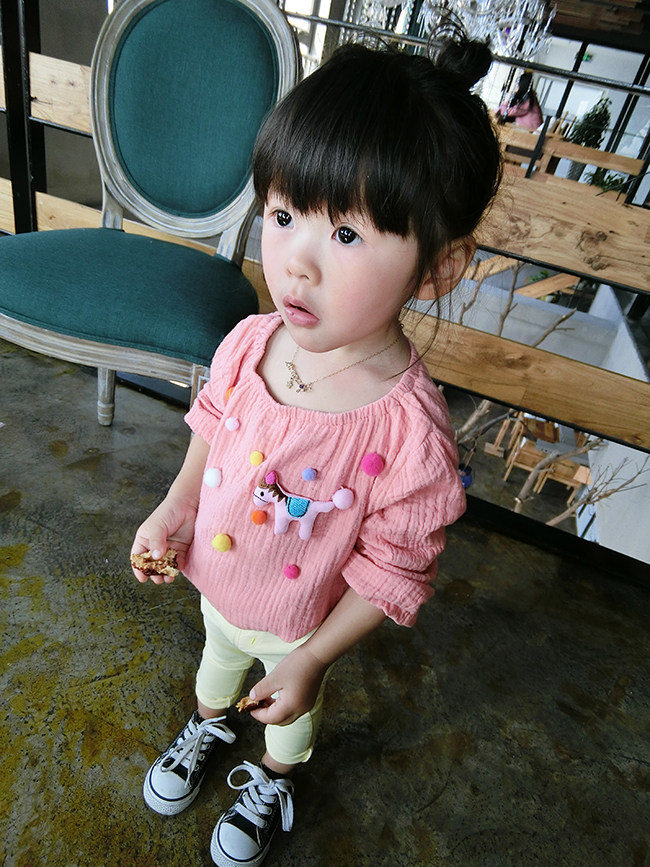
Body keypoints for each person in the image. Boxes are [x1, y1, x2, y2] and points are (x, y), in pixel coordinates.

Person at [131, 32, 502, 867]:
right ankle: (206, 725)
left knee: (286, 716)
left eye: (346, 234)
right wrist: (175, 507)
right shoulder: (250, 342)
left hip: (301, 628)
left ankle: (273, 776)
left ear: (439, 267)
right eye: (284, 214)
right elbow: (212, 427)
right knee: (215, 668)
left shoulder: (408, 434)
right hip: (216, 582)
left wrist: (314, 658)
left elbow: (393, 567)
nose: (296, 261)